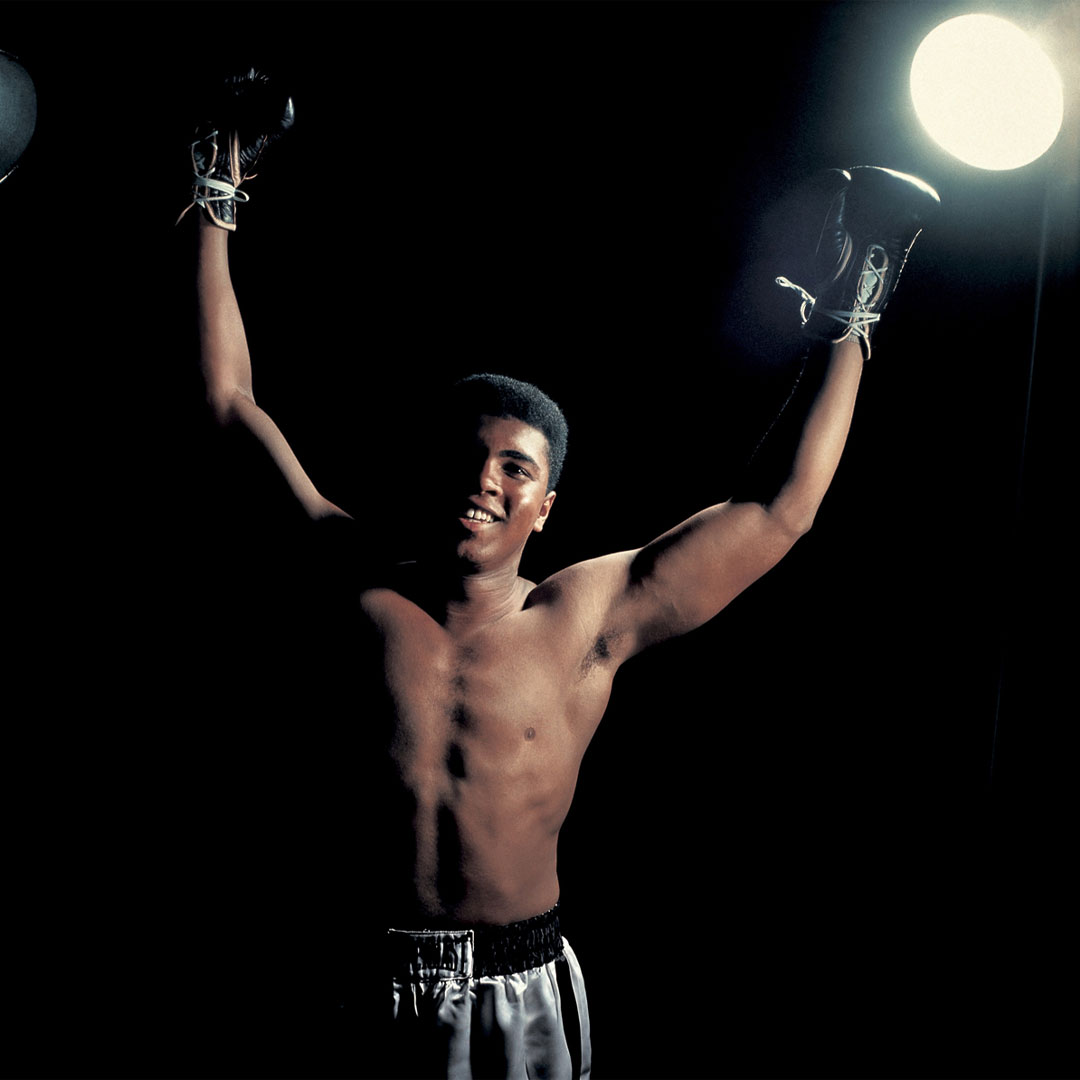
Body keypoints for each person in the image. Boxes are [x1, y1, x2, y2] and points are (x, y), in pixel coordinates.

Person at [183, 71, 939, 1079]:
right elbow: (229, 406)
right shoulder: (349, 572)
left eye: (514, 468)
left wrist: (851, 318)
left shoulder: (584, 614)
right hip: (357, 973)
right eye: (464, 458)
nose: (483, 483)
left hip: (519, 985)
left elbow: (776, 509)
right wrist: (214, 206)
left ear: (546, 505)